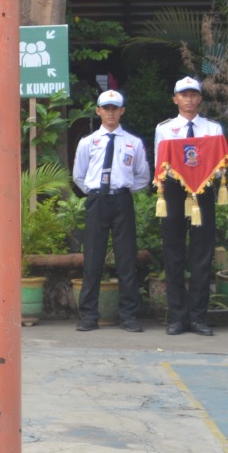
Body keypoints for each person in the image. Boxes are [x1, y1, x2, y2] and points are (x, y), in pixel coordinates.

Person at [72, 89, 151, 333]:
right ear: (98, 111)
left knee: (126, 258)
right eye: (106, 108)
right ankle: (88, 316)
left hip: (121, 201)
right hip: (97, 201)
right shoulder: (88, 142)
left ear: (122, 111)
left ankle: (128, 316)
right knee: (93, 259)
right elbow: (79, 175)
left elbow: (143, 176)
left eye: (115, 108)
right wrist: (97, 192)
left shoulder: (133, 143)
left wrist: (121, 189)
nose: (110, 113)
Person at [154, 76, 226, 336]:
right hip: (173, 192)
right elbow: (159, 163)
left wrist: (203, 176)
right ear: (175, 99)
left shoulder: (212, 128)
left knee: (202, 255)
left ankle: (198, 317)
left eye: (193, 94)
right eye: (183, 95)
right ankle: (177, 317)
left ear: (200, 99)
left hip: (204, 192)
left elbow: (221, 166)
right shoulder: (165, 128)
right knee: (173, 254)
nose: (189, 99)